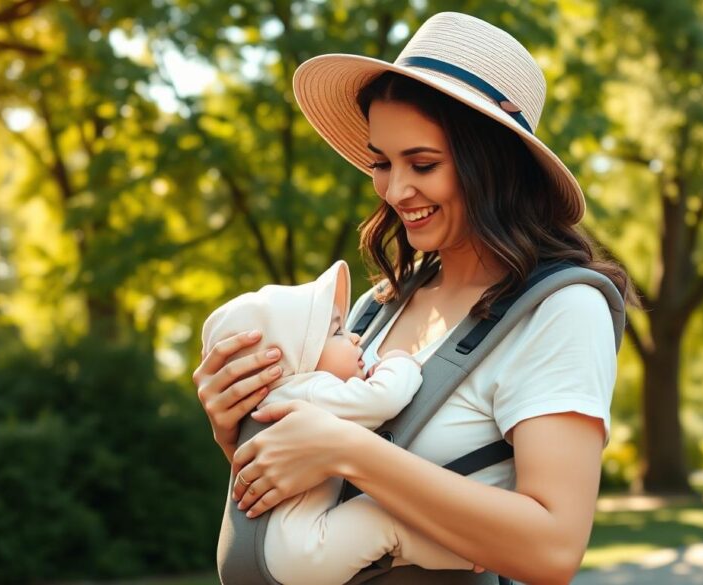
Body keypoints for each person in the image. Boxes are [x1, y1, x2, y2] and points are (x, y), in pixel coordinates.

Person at [194, 11, 635, 584]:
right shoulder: (379, 308)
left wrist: (344, 447)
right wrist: (243, 429)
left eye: (423, 163)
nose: (396, 191)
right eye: (381, 162)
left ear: (494, 161)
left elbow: (552, 549)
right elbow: (313, 518)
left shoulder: (559, 311)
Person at [201, 260, 479, 584]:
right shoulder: (308, 390)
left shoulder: (274, 400)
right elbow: (383, 400)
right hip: (303, 549)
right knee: (383, 521)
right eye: (336, 331)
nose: (356, 338)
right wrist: (401, 363)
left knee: (378, 524)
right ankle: (464, 551)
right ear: (295, 358)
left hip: (286, 550)